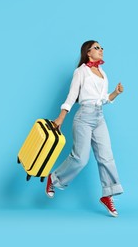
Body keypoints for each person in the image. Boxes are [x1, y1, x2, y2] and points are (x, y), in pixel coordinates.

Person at [46, 40, 124, 217]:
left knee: (107, 157)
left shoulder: (102, 73)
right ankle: (54, 178)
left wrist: (116, 93)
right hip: (84, 117)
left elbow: (103, 98)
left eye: (102, 47)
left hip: (99, 116)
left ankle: (107, 194)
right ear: (88, 52)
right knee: (80, 158)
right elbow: (72, 95)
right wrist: (60, 117)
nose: (101, 50)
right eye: (97, 47)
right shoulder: (81, 72)